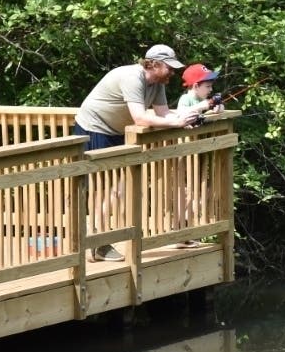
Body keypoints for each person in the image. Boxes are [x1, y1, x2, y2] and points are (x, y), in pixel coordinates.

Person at [74, 45, 201, 261]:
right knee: (104, 188)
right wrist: (175, 122)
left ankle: (98, 242)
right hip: (94, 128)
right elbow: (141, 119)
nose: (173, 72)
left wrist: (189, 118)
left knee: (117, 188)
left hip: (117, 131)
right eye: (169, 68)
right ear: (154, 64)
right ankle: (96, 245)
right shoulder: (133, 78)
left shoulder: (158, 83)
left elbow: (164, 114)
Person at [173, 63, 225, 249]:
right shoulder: (186, 100)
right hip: (186, 153)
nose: (211, 90)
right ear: (196, 86)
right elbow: (181, 114)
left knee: (203, 190)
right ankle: (180, 230)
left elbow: (210, 112)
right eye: (207, 86)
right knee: (186, 190)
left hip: (200, 152)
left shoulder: (203, 100)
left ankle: (186, 229)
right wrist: (204, 106)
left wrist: (216, 108)